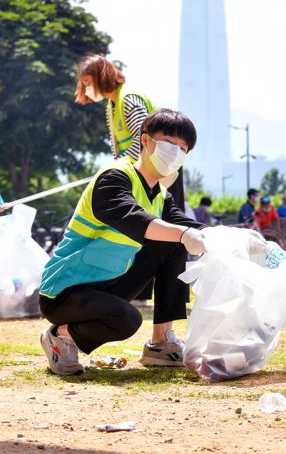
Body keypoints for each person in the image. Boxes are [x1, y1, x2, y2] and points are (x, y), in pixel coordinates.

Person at [37, 109, 207, 376]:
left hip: (109, 284)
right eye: (168, 143)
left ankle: (161, 342)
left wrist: (241, 240)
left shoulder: (160, 196)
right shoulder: (114, 178)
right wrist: (185, 235)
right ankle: (60, 336)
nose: (175, 152)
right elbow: (134, 218)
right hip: (65, 292)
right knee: (127, 320)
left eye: (182, 148)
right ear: (145, 140)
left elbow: (190, 227)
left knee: (174, 241)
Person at [75, 54, 186, 305]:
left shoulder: (129, 99)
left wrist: (117, 166)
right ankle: (140, 294)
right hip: (138, 176)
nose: (85, 89)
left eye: (87, 81)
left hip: (160, 174)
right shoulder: (112, 106)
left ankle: (170, 300)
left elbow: (143, 140)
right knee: (139, 233)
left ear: (101, 76)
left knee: (170, 237)